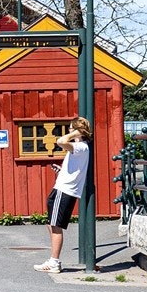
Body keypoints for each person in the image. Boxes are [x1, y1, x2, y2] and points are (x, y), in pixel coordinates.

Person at [34, 117, 92, 274]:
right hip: (62, 187)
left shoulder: (80, 146)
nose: (68, 131)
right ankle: (53, 259)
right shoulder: (79, 147)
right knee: (51, 223)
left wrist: (76, 133)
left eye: (70, 128)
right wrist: (61, 171)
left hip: (65, 190)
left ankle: (54, 261)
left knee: (56, 226)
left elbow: (60, 141)